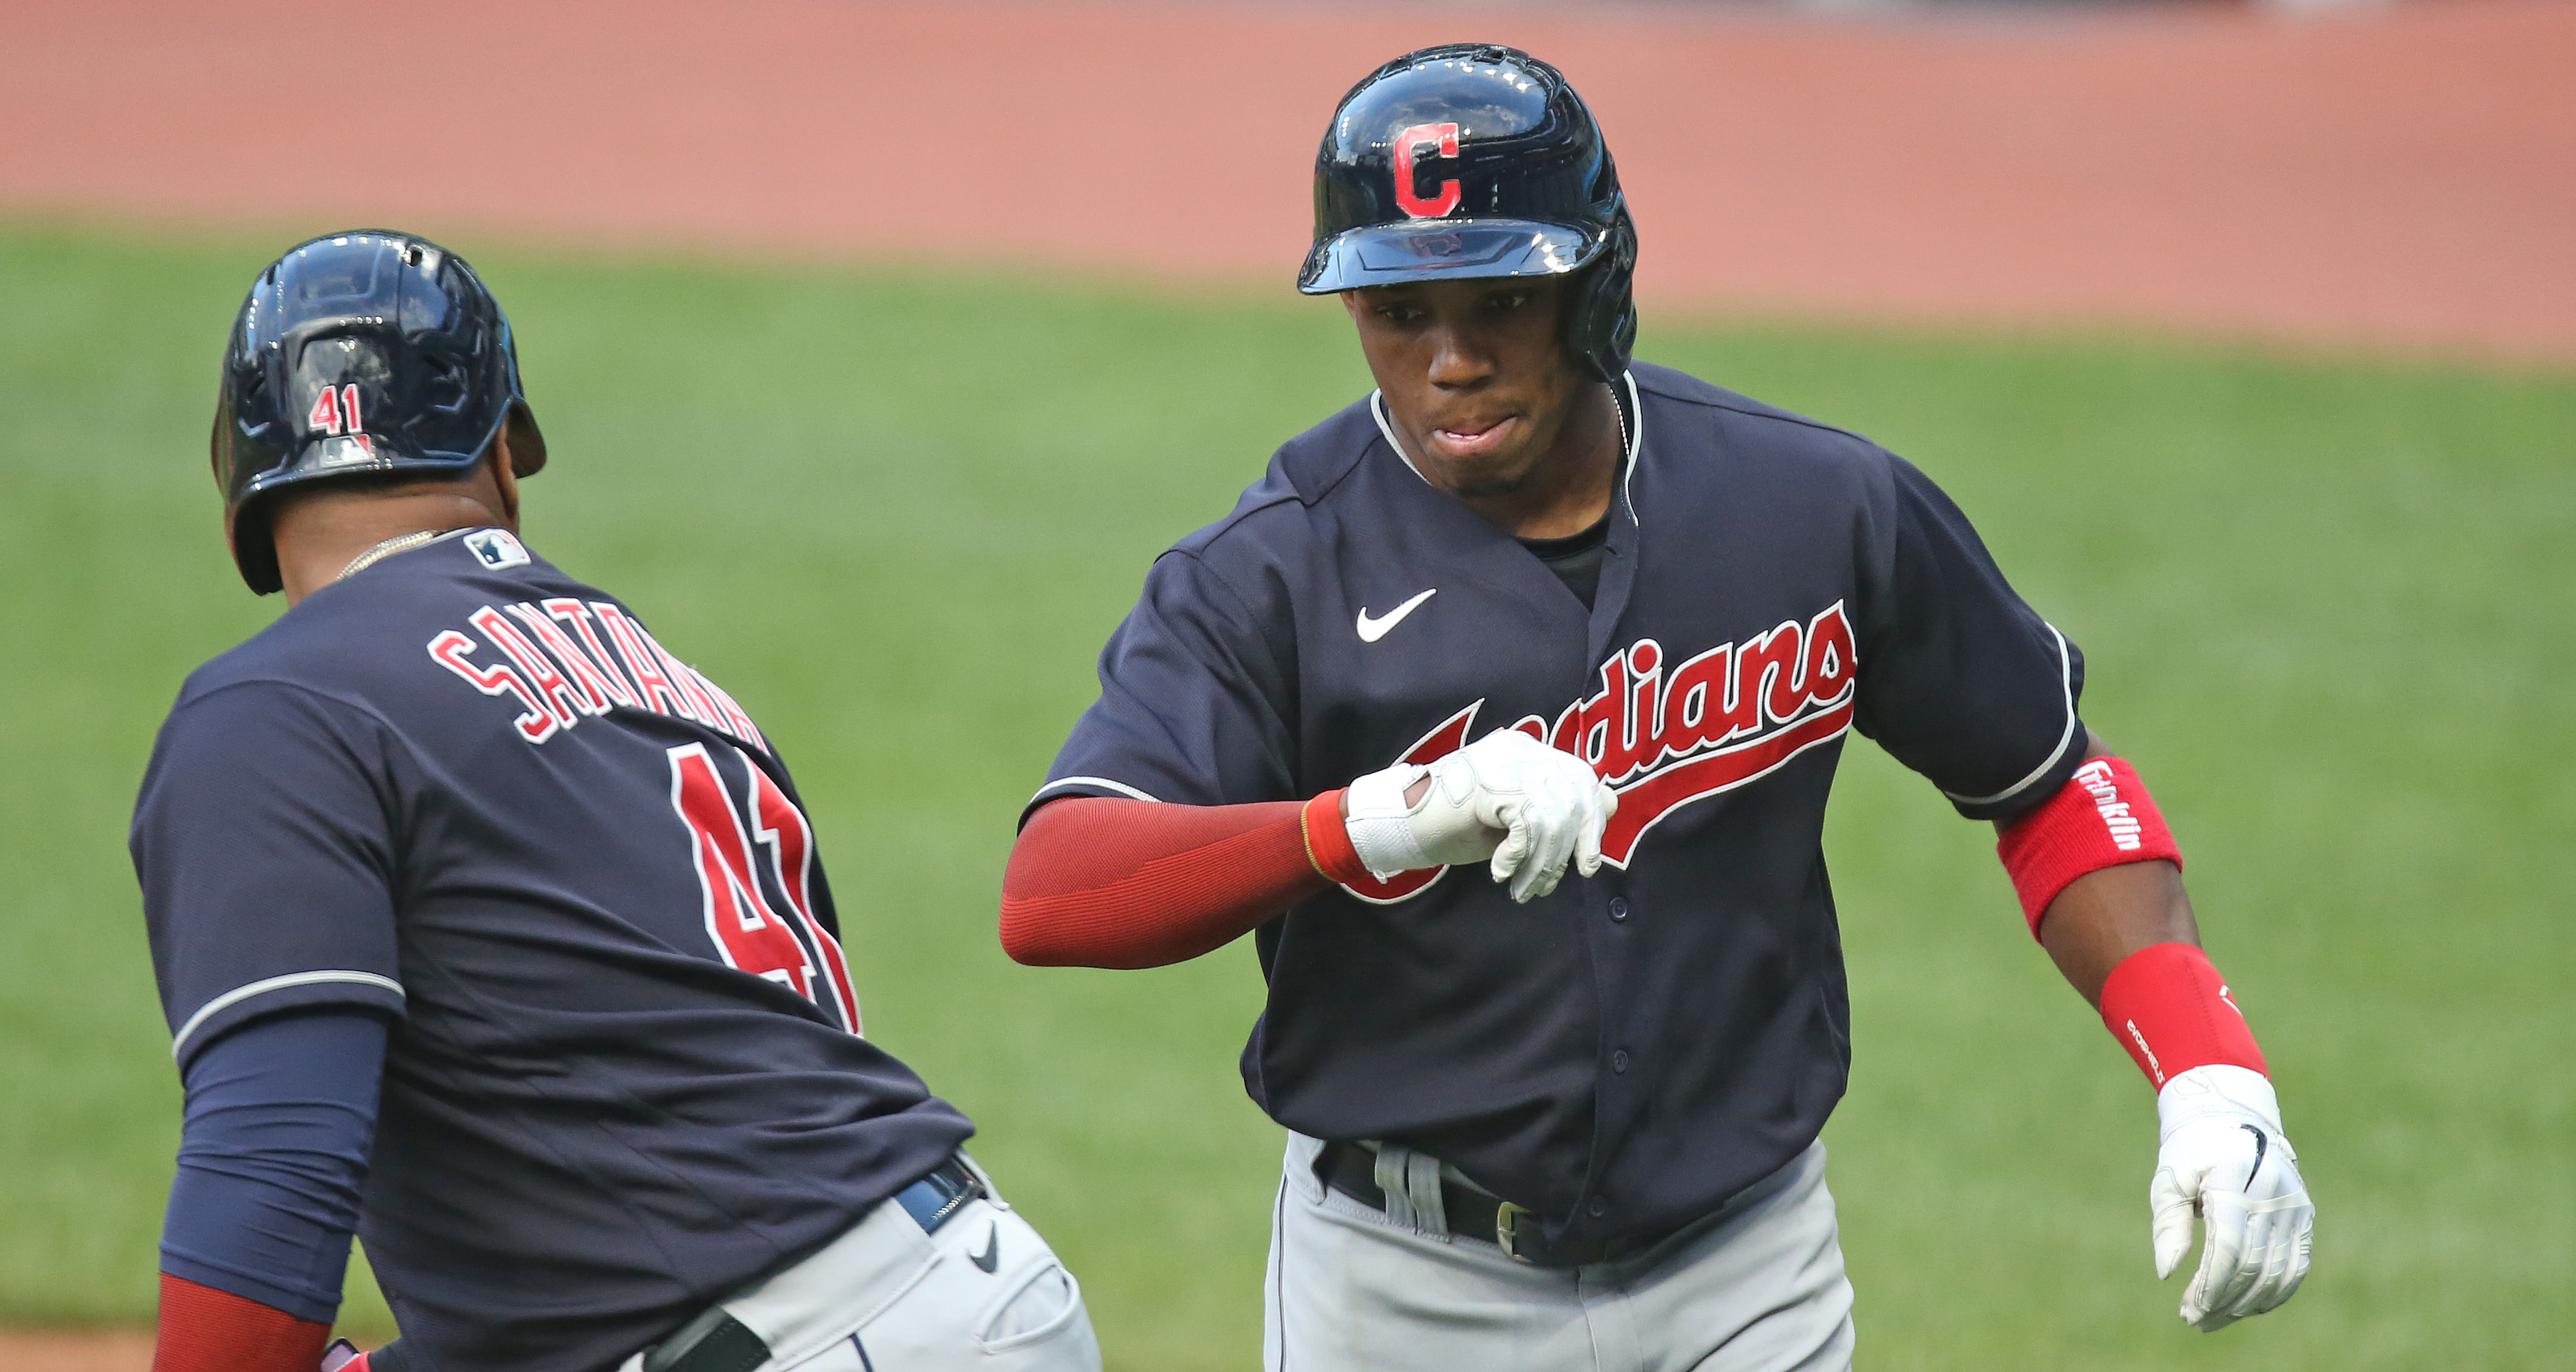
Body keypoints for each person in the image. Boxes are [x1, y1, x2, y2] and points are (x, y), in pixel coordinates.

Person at [998, 45, 2313, 1371]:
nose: (1450, 360)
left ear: (1597, 285)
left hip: (1745, 1271)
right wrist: (1385, 820)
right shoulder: (1271, 574)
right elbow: (1053, 892)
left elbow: (2045, 779)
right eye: (1399, 311)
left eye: (1500, 297)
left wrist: (2207, 1071)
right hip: (1403, 1294)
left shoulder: (1815, 508)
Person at [136, 231, 1102, 1372]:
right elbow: (659, 1139)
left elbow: (274, 1168)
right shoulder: (658, 676)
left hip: (791, 1336)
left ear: (240, 479)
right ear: (502, 449)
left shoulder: (274, 707)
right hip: (965, 1284)